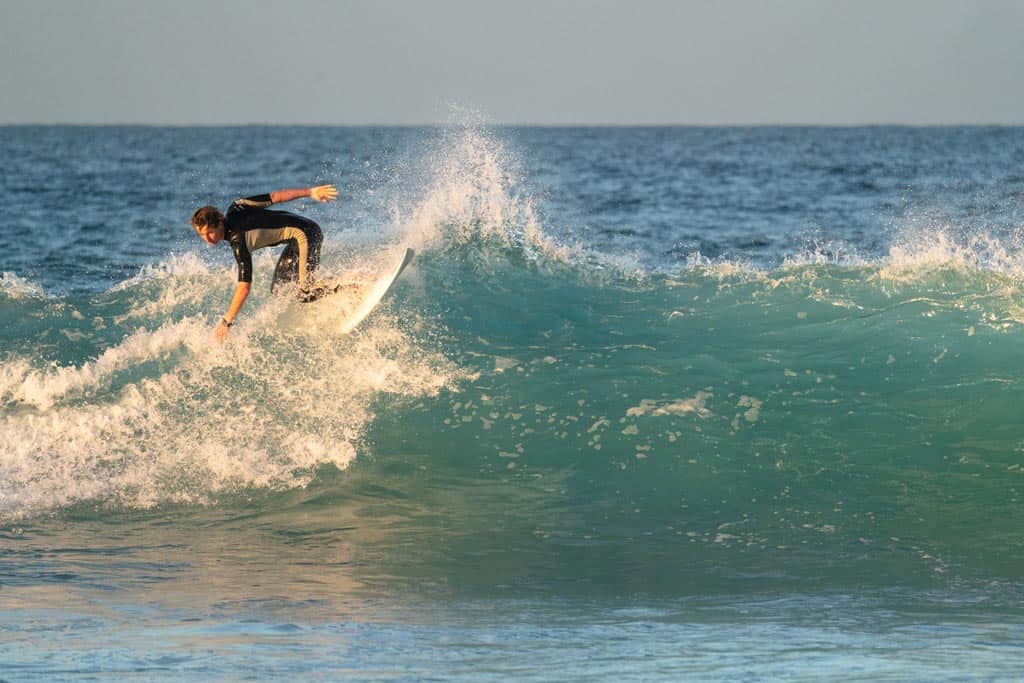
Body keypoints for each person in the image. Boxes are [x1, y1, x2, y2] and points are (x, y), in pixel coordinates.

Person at [190, 184, 339, 341]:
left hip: (307, 234)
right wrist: (310, 192)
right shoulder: (237, 206)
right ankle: (337, 295)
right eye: (202, 235)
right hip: (297, 238)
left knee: (305, 291)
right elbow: (275, 197)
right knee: (281, 290)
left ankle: (352, 284)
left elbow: (244, 288)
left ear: (220, 223)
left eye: (210, 233)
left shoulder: (239, 242)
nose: (207, 239)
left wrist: (226, 322)